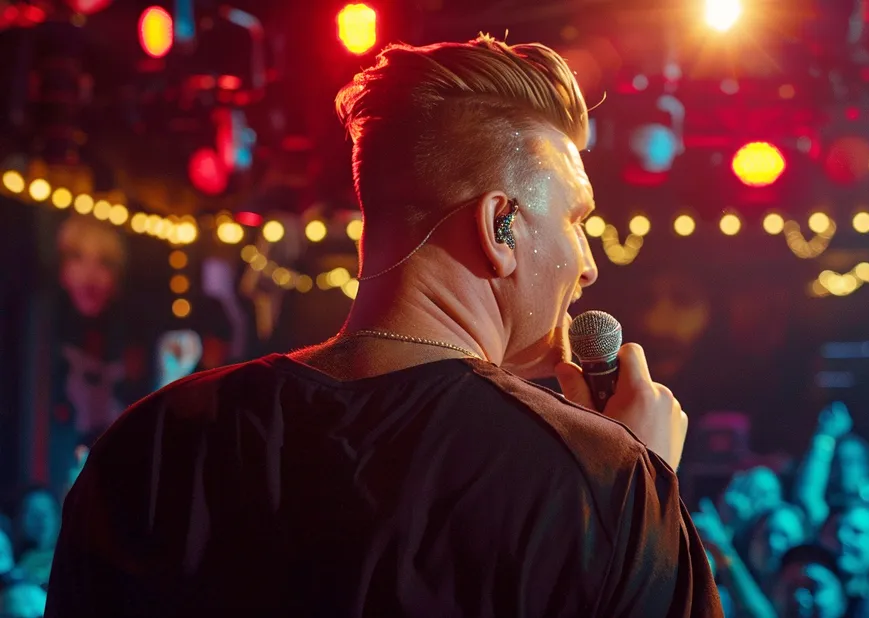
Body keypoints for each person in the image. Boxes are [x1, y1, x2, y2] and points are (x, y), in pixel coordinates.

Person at [45, 36, 720, 616]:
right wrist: (642, 493)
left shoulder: (153, 441)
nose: (590, 266)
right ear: (500, 227)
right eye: (577, 221)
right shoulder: (599, 483)